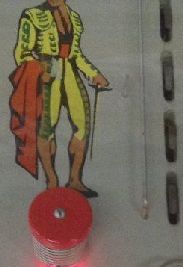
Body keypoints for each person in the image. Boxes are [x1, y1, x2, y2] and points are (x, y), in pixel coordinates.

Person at [9, 0, 110, 198]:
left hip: (69, 70)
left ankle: (75, 180)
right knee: (46, 128)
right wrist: (40, 70)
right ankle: (52, 181)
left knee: (82, 124)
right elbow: (22, 52)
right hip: (48, 70)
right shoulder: (32, 15)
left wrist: (94, 73)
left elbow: (76, 53)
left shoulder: (74, 17)